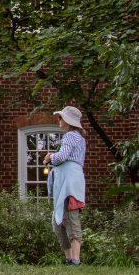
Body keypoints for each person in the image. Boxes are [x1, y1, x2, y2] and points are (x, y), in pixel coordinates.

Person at [46, 106, 88, 266]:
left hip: (69, 184)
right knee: (58, 222)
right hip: (68, 181)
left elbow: (62, 157)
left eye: (61, 118)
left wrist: (51, 156)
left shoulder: (71, 136)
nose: (59, 120)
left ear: (69, 121)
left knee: (71, 219)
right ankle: (69, 258)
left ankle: (75, 259)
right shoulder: (76, 137)